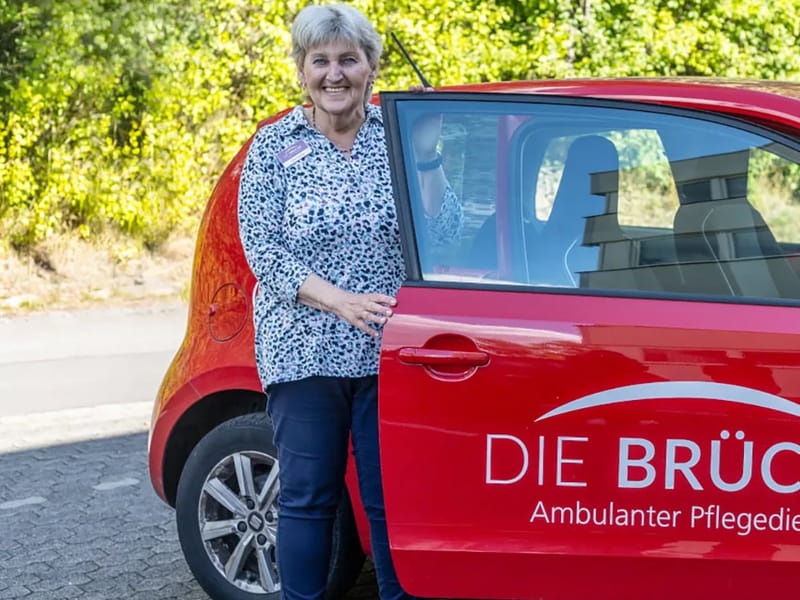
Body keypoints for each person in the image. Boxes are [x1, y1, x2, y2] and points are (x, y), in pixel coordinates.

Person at [237, 4, 462, 600]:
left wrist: (430, 152)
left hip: (392, 352)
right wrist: (340, 303)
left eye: (348, 59)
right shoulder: (274, 146)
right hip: (303, 351)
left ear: (371, 67)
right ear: (302, 70)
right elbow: (264, 250)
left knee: (392, 498)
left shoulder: (400, 138)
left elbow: (449, 232)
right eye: (321, 61)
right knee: (308, 496)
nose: (334, 74)